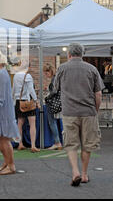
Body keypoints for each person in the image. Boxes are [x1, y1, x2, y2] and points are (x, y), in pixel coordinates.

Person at [54, 43, 103, 186]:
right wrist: (96, 109)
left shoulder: (62, 69)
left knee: (71, 144)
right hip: (88, 112)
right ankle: (84, 173)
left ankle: (75, 171)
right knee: (87, 145)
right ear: (82, 54)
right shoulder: (92, 69)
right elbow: (98, 93)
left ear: (69, 54)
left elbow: (55, 89)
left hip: (69, 111)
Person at [13, 59, 40, 153]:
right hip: (28, 102)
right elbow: (31, 90)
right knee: (32, 123)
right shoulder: (27, 76)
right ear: (28, 67)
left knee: (19, 123)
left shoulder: (15, 76)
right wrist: (36, 101)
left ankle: (20, 143)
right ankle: (33, 145)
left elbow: (14, 89)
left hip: (18, 101)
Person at [43, 63, 63, 150]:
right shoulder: (57, 78)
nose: (45, 74)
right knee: (56, 122)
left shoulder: (54, 79)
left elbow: (54, 91)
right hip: (58, 103)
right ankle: (58, 142)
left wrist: (47, 97)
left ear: (50, 71)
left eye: (46, 73)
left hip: (52, 103)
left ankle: (57, 142)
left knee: (52, 123)